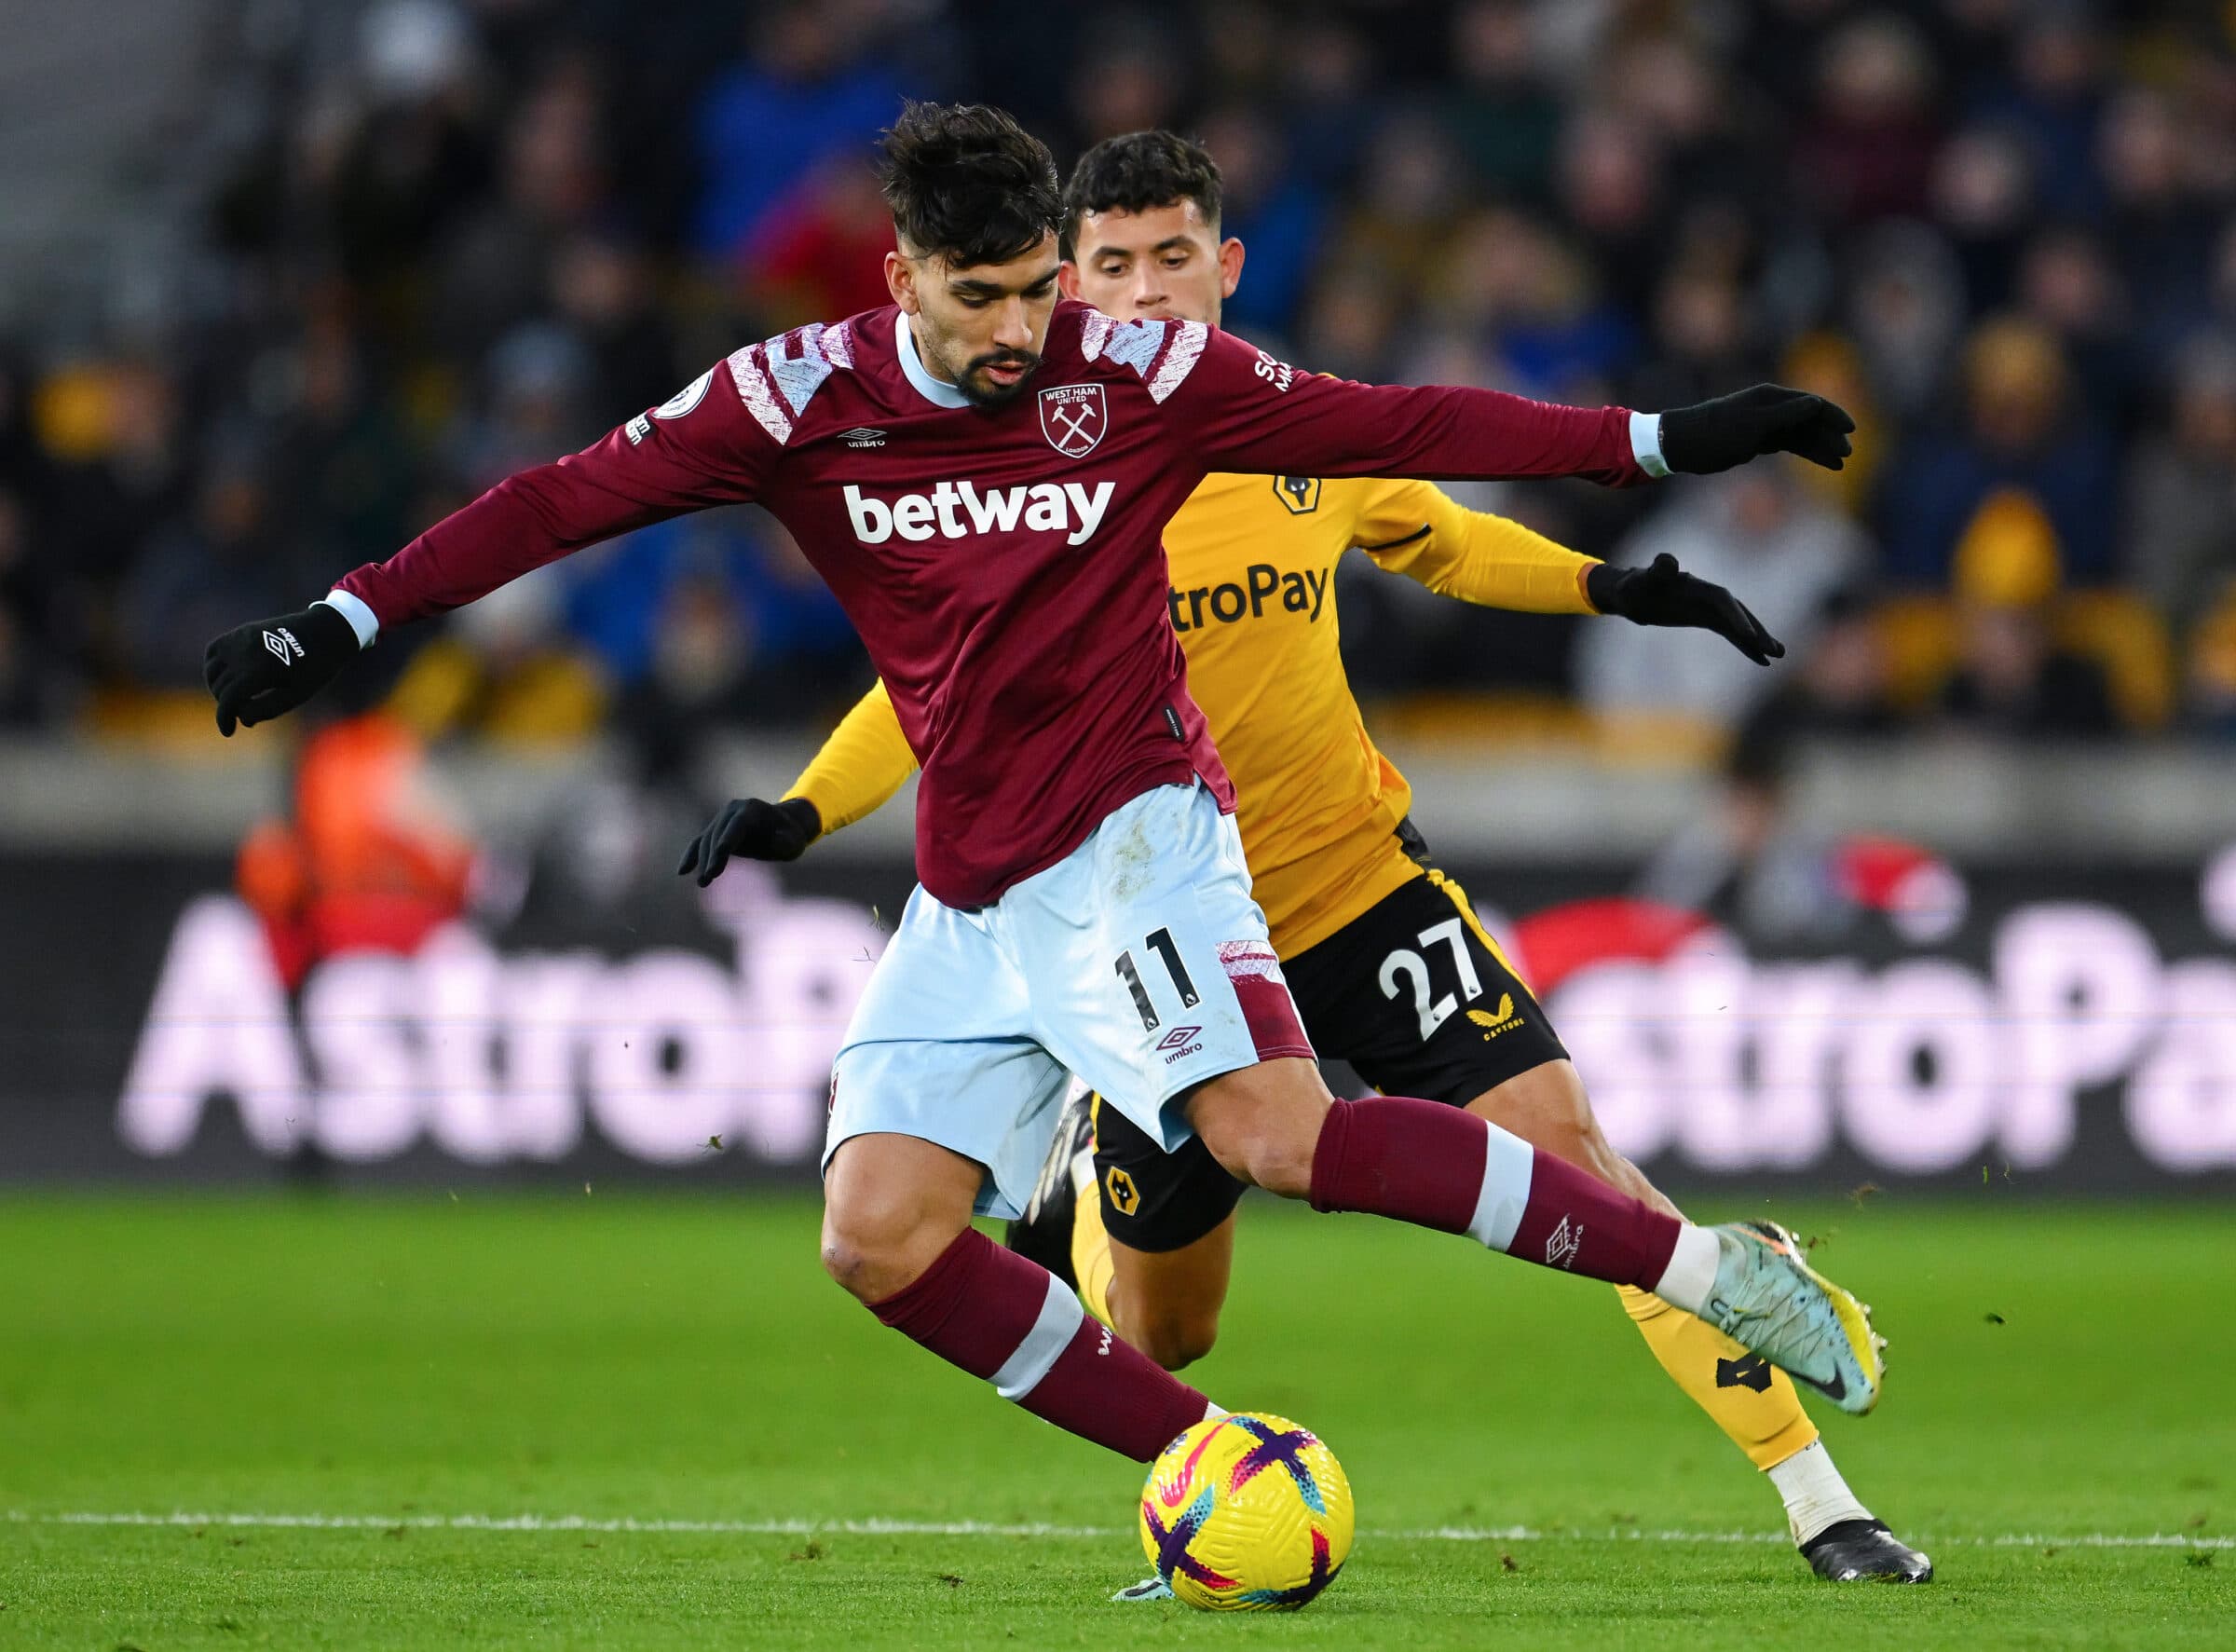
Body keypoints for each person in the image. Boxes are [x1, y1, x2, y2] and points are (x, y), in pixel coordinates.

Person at [203, 102, 1881, 1589]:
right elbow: (556, 499)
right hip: (973, 885)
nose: (1027, 331)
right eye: (989, 294)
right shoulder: (790, 398)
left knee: (1288, 1134)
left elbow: (1417, 430)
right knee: (879, 1235)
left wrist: (1656, 445)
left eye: (1039, 291)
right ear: (901, 274)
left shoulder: (1142, 380)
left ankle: (1707, 1268)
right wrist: (345, 618)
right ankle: (1205, 1454)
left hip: (1151, 839)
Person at [703, 130, 1926, 1584]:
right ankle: (1178, 1425)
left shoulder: (1287, 428)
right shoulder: (1040, 455)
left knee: (1582, 1160)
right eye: (1110, 267)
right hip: (1152, 946)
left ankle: (1821, 1498)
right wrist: (804, 807)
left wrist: (1619, 585)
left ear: (1224, 268)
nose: (1146, 293)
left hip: (1357, 893)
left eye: (1173, 260)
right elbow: (931, 690)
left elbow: (1449, 539)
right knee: (1168, 1330)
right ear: (1062, 284)